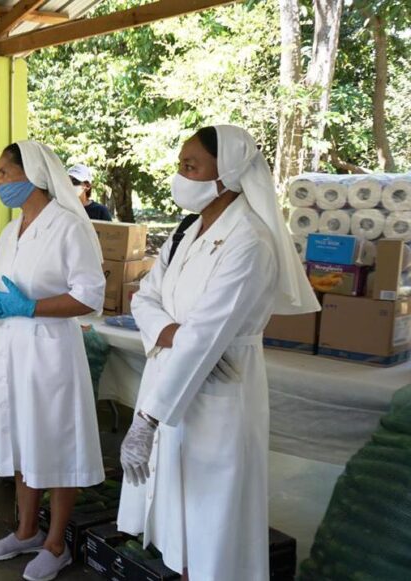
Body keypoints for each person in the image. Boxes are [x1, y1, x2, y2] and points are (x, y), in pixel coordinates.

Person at [117, 126, 319, 581]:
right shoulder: (188, 230)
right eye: (181, 165)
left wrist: (147, 419)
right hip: (176, 374)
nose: (180, 175)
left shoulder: (250, 241)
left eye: (191, 166)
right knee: (178, 523)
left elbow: (208, 334)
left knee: (214, 527)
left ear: (225, 173)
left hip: (221, 395)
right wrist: (170, 331)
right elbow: (144, 296)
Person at [0, 141, 107, 581]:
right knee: (22, 440)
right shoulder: (12, 229)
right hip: (11, 350)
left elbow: (90, 296)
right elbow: (4, 284)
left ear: (31, 174)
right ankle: (27, 530)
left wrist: (31, 308)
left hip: (50, 352)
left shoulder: (69, 226)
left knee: (55, 443)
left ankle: (56, 543)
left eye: (3, 173)